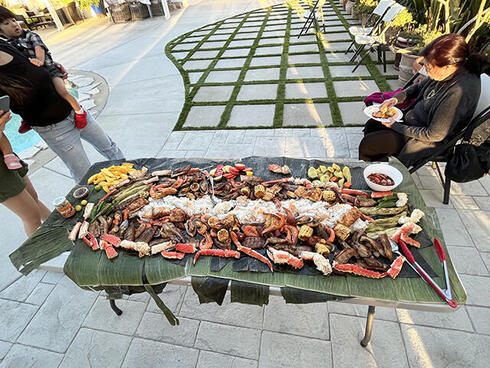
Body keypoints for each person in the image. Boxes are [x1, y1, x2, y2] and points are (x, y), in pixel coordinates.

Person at [0, 38, 124, 183]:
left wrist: (53, 67)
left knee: (111, 149)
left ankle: (132, 179)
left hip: (75, 111)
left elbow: (39, 65)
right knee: (85, 176)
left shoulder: (6, 44)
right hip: (54, 130)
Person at [359, 34, 485, 167]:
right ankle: (378, 167)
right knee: (372, 125)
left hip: (426, 139)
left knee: (369, 144)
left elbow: (434, 135)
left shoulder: (459, 92)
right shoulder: (446, 72)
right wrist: (395, 100)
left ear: (447, 66)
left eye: (428, 67)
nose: (425, 70)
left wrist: (395, 126)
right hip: (414, 122)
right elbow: (417, 88)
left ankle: (381, 172)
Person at [0, 6, 87, 134]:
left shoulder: (30, 35)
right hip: (38, 77)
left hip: (49, 69)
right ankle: (27, 120)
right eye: (7, 23)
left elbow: (39, 49)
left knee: (62, 91)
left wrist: (40, 61)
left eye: (14, 20)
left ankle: (79, 112)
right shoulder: (9, 44)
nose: (14, 25)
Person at [0, 110, 51, 236]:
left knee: (33, 198)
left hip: (6, 156)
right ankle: (40, 253)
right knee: (32, 217)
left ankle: (59, 226)